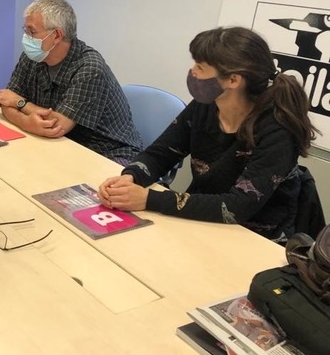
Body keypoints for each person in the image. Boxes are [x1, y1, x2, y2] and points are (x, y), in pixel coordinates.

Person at [98, 26, 316, 243]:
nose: (193, 72)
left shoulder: (278, 129)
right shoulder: (206, 106)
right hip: (200, 219)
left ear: (233, 80)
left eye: (200, 67)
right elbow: (161, 153)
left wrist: (148, 199)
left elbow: (237, 206)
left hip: (255, 237)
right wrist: (129, 178)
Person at [0, 0, 141, 165]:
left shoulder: (90, 68)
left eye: (31, 31)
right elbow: (5, 101)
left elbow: (55, 126)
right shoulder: (33, 57)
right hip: (62, 147)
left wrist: (20, 104)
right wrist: (27, 122)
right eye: (25, 30)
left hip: (107, 154)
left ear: (56, 35)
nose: (26, 37)